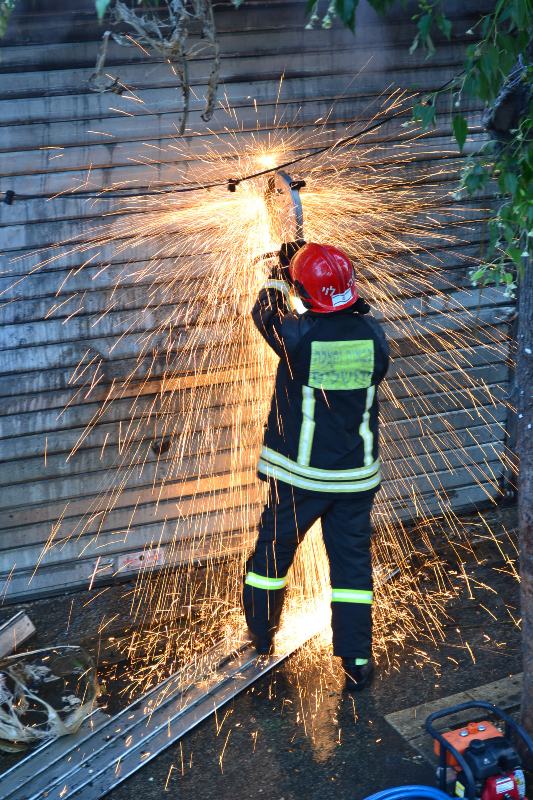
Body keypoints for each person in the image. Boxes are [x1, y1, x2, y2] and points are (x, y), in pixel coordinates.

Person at [243, 241, 389, 691]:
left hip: (300, 479)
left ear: (305, 293)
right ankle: (357, 660)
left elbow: (265, 312)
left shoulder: (298, 338)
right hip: (354, 477)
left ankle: (262, 636)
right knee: (351, 571)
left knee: (272, 555)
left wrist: (278, 271)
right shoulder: (373, 336)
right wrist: (301, 275)